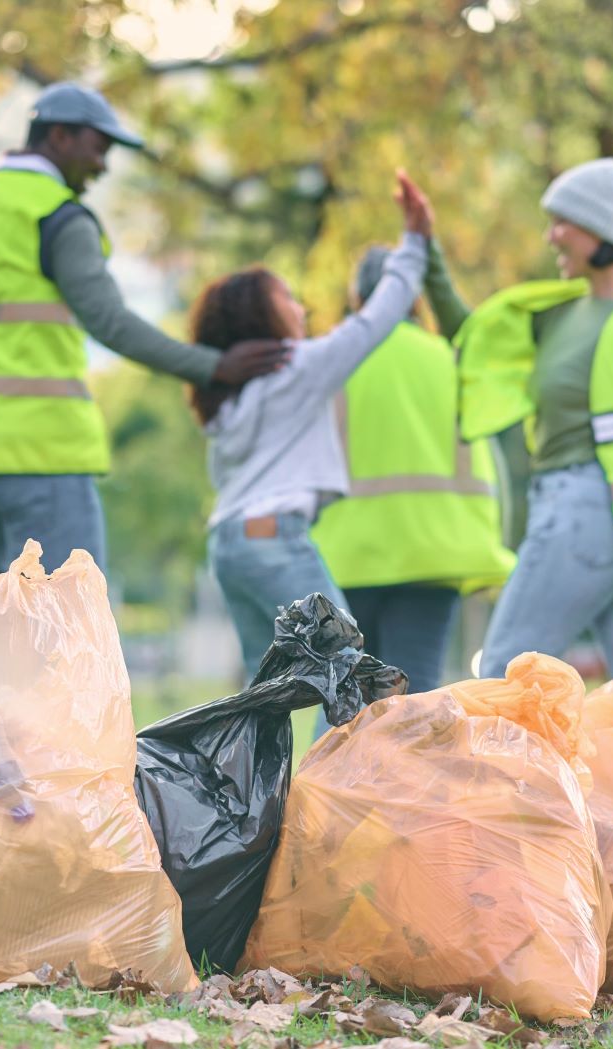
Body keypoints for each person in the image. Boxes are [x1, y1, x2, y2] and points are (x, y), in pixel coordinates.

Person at [0, 82, 288, 575]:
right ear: (59, 137)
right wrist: (214, 367)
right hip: (41, 458)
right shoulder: (57, 215)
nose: (102, 166)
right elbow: (110, 322)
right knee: (69, 628)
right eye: (98, 148)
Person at [427, 157, 613, 730]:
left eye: (563, 222)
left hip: (584, 516)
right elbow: (474, 341)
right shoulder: (561, 311)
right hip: (606, 528)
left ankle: (505, 816)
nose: (552, 236)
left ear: (602, 229)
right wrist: (428, 257)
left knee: (502, 671)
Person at [191, 172, 434, 683]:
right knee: (345, 670)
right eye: (287, 299)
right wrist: (414, 244)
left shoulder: (228, 393)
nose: (301, 308)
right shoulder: (296, 369)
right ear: (263, 315)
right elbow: (374, 320)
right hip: (275, 536)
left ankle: (234, 767)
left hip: (229, 545)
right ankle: (331, 769)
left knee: (262, 690)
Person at [309, 246, 515, 693]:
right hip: (435, 552)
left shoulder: (333, 357)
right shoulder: (449, 359)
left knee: (344, 699)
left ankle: (329, 767)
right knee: (414, 694)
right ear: (417, 298)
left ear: (357, 296)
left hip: (347, 555)